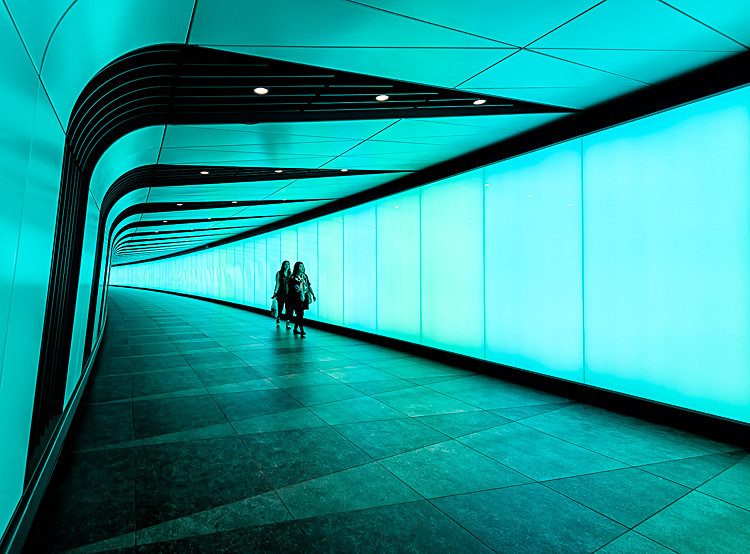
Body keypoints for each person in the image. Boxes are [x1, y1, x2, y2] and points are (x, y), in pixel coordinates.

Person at [290, 261, 315, 336]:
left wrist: (313, 294)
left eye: (303, 266)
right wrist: (300, 284)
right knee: (300, 313)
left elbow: (308, 285)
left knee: (300, 313)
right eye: (300, 266)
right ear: (297, 267)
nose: (302, 268)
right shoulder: (293, 277)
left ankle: (295, 329)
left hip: (304, 296)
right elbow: (296, 289)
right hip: (297, 297)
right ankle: (301, 329)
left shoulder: (305, 276)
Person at [272, 260, 291, 329]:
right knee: (280, 307)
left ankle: (288, 321)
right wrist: (275, 292)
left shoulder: (290, 274)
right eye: (285, 264)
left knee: (288, 308)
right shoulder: (279, 273)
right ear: (283, 265)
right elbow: (277, 283)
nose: (287, 266)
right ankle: (278, 317)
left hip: (288, 293)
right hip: (281, 293)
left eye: (288, 264)